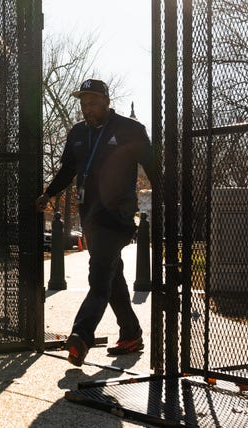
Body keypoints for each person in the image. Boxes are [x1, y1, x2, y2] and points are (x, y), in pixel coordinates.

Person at [35, 79, 153, 366]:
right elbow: (67, 170)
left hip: (117, 217)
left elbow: (154, 168)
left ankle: (81, 335)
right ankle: (132, 333)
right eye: (83, 103)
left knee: (99, 274)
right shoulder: (77, 133)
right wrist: (49, 193)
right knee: (112, 276)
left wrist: (167, 200)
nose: (87, 109)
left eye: (93, 103)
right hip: (90, 216)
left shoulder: (130, 130)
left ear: (106, 102)